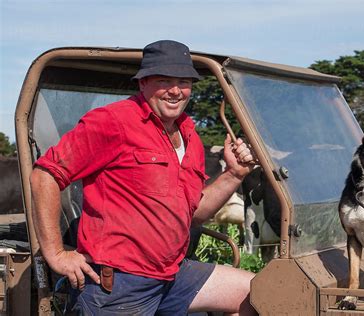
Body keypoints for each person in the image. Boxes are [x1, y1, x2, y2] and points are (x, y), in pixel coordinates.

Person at [30, 40, 258, 315]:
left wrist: (234, 174)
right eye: (164, 81)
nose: (175, 91)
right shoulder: (112, 122)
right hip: (120, 282)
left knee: (260, 294)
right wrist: (55, 253)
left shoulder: (190, 136)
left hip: (173, 274)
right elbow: (45, 175)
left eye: (184, 81)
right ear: (143, 83)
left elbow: (194, 214)